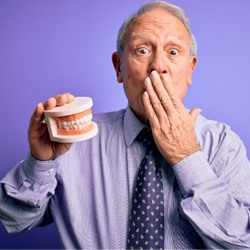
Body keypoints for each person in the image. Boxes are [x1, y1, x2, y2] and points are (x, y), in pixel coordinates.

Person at [1, 1, 250, 249]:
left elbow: (243, 242)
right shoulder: (73, 142)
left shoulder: (221, 144)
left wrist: (187, 157)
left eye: (173, 52)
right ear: (119, 67)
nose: (158, 66)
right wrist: (40, 162)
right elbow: (15, 219)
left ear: (190, 70)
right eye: (142, 50)